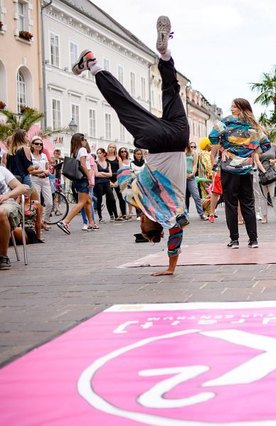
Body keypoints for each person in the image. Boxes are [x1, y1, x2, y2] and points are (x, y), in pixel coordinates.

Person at [70, 15, 189, 275]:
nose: (140, 220)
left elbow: (176, 238)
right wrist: (123, 165)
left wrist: (171, 268)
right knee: (123, 104)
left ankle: (165, 55)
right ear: (147, 222)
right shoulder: (139, 201)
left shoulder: (175, 212)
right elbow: (123, 175)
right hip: (156, 141)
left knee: (171, 90)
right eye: (142, 224)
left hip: (180, 137)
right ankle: (92, 64)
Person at [208, 98, 269, 249]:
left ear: (241, 108)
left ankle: (234, 240)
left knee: (231, 204)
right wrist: (253, 151)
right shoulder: (253, 124)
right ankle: (253, 240)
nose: (231, 109)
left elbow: (212, 136)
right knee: (248, 204)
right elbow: (266, 144)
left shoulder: (226, 121)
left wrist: (223, 149)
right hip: (246, 168)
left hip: (229, 167)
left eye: (234, 107)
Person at [56, 133, 97, 234]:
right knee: (81, 202)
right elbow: (83, 165)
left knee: (87, 200)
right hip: (83, 178)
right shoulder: (82, 150)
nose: (86, 141)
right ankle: (65, 222)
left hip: (77, 179)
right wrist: (89, 178)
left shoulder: (74, 151)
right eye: (84, 139)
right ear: (80, 140)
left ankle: (91, 223)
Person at [0, 165, 31, 269]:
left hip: (6, 203)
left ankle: (3, 256)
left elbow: (21, 188)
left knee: (1, 212)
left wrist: (7, 195)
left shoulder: (2, 170)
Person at [256, 140, 276, 224]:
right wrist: (264, 171)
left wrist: (274, 161)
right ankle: (264, 216)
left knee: (274, 195)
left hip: (272, 173)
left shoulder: (273, 146)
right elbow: (257, 160)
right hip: (262, 174)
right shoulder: (257, 147)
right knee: (263, 196)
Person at [29, 136, 53, 228]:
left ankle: (45, 221)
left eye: (41, 144)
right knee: (37, 202)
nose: (39, 145)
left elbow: (48, 168)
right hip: (35, 180)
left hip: (45, 180)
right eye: (37, 144)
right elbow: (29, 171)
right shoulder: (30, 156)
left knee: (49, 203)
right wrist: (39, 173)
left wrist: (47, 172)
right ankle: (38, 223)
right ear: (32, 145)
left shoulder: (44, 156)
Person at [94, 147, 118, 223]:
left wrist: (102, 173)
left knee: (112, 198)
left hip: (107, 182)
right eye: (98, 153)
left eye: (100, 153)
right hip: (99, 183)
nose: (98, 154)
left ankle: (116, 216)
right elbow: (96, 174)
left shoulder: (108, 163)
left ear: (104, 154)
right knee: (99, 200)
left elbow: (110, 174)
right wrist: (105, 174)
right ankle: (100, 217)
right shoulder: (95, 163)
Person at [185, 141, 206, 220]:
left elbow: (194, 165)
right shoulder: (182, 153)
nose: (193, 148)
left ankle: (201, 214)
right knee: (184, 197)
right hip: (182, 176)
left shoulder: (194, 153)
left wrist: (192, 173)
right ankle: (185, 214)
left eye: (194, 147)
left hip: (191, 177)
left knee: (196, 196)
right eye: (191, 146)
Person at [106, 143, 126, 221]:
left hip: (117, 177)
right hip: (108, 178)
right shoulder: (105, 158)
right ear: (108, 148)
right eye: (110, 147)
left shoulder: (118, 158)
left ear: (115, 149)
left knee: (121, 196)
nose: (111, 148)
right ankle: (112, 214)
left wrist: (118, 181)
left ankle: (124, 214)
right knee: (109, 198)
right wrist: (109, 181)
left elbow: (121, 170)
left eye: (113, 147)